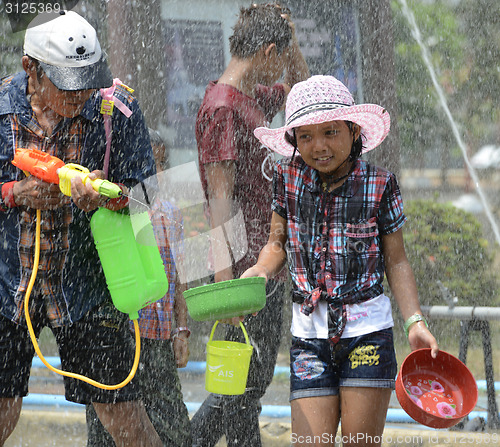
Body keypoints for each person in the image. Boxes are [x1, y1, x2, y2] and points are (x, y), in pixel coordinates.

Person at [242, 75, 439, 447]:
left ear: (353, 129)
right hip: (309, 337)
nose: (319, 146)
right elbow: (276, 243)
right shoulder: (286, 178)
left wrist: (414, 321)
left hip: (366, 333)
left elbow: (396, 262)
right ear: (293, 142)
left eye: (330, 132)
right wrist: (259, 271)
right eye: (305, 137)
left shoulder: (379, 184)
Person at [0, 11, 163, 447]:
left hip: (87, 288)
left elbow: (148, 196)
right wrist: (16, 194)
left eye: (89, 79)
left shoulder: (117, 109)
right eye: (69, 83)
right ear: (30, 68)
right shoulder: (1, 111)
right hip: (7, 286)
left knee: (123, 414)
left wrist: (110, 198)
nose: (83, 94)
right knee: (2, 410)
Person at [191, 3, 309, 446]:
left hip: (262, 263)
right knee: (237, 391)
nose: (279, 67)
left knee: (244, 390)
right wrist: (225, 290)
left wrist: (291, 43)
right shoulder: (223, 107)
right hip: (242, 272)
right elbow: (219, 203)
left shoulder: (246, 99)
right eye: (280, 55)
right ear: (267, 50)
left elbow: (302, 93)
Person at [85, 129, 192, 446]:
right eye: (143, 163)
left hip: (158, 341)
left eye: (159, 164)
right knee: (108, 427)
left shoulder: (170, 214)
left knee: (173, 428)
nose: (152, 173)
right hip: (116, 336)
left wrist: (181, 329)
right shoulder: (108, 215)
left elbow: (178, 278)